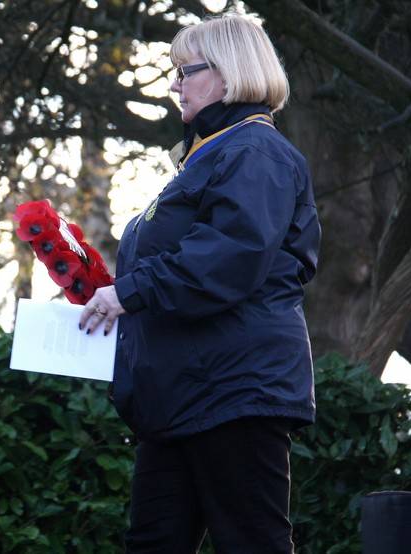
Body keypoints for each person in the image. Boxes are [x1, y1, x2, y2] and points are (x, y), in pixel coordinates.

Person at [79, 15, 321, 554]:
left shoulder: (256, 152)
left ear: (229, 74)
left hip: (233, 388)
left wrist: (129, 292)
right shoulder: (211, 154)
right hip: (184, 391)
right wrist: (108, 294)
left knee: (251, 541)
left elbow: (225, 260)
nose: (173, 85)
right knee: (153, 542)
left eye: (184, 71)